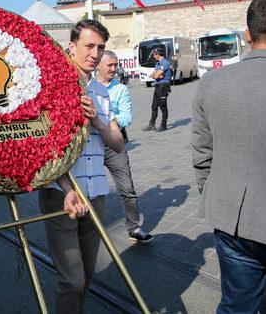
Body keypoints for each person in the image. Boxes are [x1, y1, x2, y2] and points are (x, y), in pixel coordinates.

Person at [191, 0, 266, 313]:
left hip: (232, 222)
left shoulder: (211, 83)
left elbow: (202, 156)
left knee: (237, 306)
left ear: (248, 35)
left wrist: (216, 194)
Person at [39, 20, 124, 313]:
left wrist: (97, 120)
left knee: (86, 276)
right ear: (72, 46)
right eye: (89, 46)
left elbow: (118, 142)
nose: (95, 53)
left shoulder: (101, 91)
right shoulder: (50, 87)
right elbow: (44, 147)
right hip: (62, 195)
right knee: (72, 279)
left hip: (96, 193)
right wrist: (65, 188)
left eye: (100, 47)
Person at [96, 51, 153, 242]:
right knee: (90, 189)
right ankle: (91, 228)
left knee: (127, 188)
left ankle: (133, 227)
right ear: (99, 65)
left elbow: (127, 116)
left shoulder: (120, 89)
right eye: (110, 65)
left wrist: (104, 119)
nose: (114, 69)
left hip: (114, 144)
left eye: (115, 65)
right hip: (91, 144)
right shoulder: (87, 87)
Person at [142, 47, 171, 132]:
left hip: (163, 86)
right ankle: (152, 124)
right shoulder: (158, 64)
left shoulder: (165, 63)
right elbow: (154, 75)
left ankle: (163, 125)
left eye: (154, 54)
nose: (154, 56)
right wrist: (156, 75)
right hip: (157, 85)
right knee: (154, 106)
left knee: (163, 106)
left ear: (158, 54)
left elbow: (155, 76)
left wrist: (156, 75)